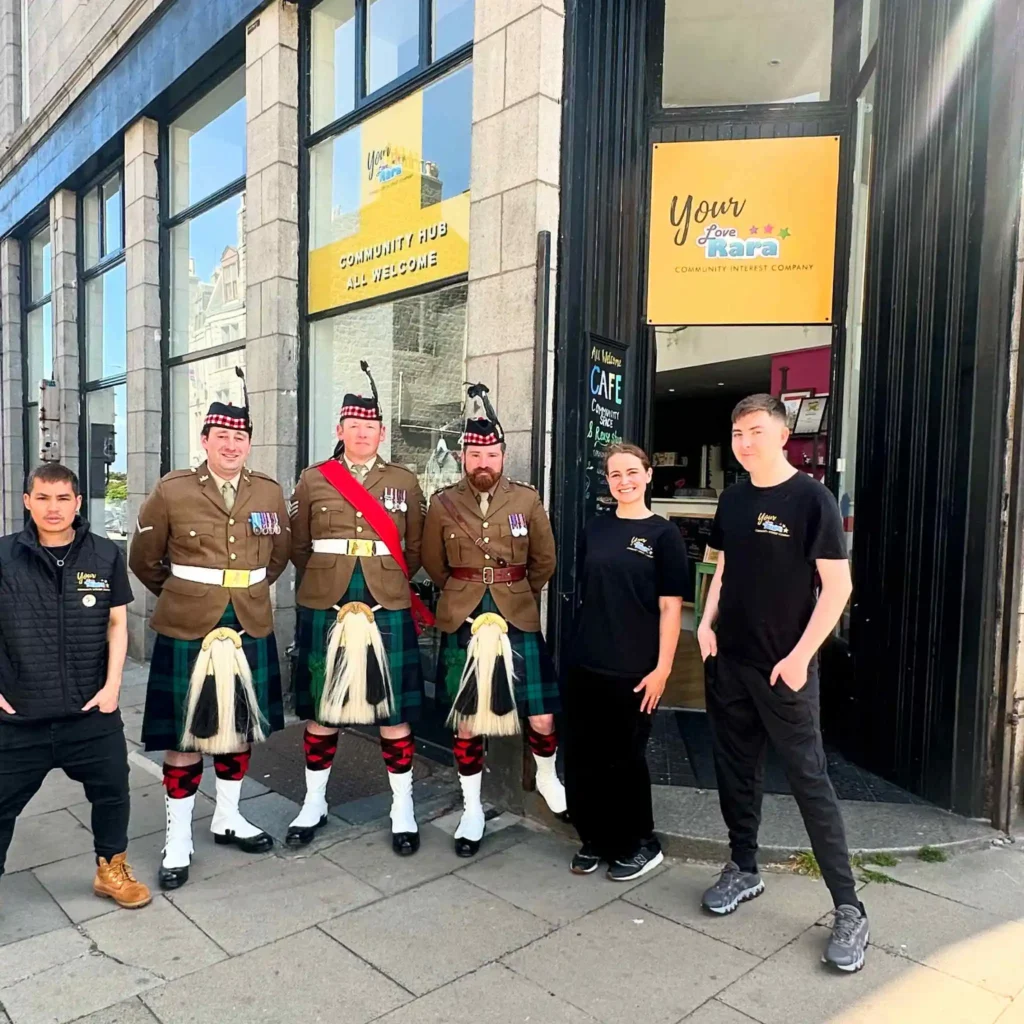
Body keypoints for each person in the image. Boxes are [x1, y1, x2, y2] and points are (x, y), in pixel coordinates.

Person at [697, 393, 867, 972]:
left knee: (809, 780)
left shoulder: (811, 499)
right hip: (731, 664)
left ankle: (849, 907)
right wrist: (705, 623)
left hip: (785, 669)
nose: (744, 442)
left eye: (755, 431)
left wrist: (800, 657)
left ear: (782, 433)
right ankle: (743, 867)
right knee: (734, 771)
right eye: (737, 433)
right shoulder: (734, 498)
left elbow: (838, 589)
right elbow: (722, 566)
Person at [130, 371, 290, 890]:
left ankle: (228, 816)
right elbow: (145, 560)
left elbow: (278, 556)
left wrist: (243, 589)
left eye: (240, 437)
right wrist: (189, 592)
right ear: (205, 441)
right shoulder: (173, 490)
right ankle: (178, 838)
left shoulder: (267, 491)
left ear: (249, 443)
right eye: (222, 437)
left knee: (239, 728)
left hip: (247, 619)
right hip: (190, 625)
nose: (231, 445)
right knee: (184, 736)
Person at [287, 361, 429, 855]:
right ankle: (314, 802)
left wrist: (389, 579)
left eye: (371, 427)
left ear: (381, 432)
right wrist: (328, 578)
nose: (363, 433)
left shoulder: (405, 481)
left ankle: (402, 807)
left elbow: (414, 548)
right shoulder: (313, 479)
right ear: (340, 430)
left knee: (393, 711)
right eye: (355, 426)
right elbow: (299, 546)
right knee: (322, 709)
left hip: (384, 597)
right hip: (325, 600)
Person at [421, 383, 566, 857]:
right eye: (475, 453)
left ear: (503, 455)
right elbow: (432, 563)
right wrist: (465, 590)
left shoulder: (526, 500)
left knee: (542, 717)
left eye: (491, 453)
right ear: (463, 455)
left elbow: (544, 562)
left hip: (516, 613)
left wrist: (514, 594)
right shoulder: (442, 504)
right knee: (467, 722)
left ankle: (546, 776)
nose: (483, 462)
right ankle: (472, 809)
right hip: (462, 614)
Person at [0, 464, 150, 910]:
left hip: (91, 714)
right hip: (19, 717)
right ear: (27, 501)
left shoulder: (104, 555)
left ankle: (110, 869)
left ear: (78, 503)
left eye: (62, 498)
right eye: (43, 498)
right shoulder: (4, 556)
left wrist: (112, 688)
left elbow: (118, 624)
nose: (53, 508)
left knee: (113, 792)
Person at [564, 443, 686, 881]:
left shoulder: (663, 536)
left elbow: (672, 608)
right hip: (586, 662)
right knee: (583, 756)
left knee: (624, 758)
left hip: (635, 668)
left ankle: (639, 842)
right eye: (615, 475)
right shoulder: (595, 530)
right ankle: (594, 836)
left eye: (632, 472)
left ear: (649, 475)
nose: (624, 481)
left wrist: (663, 669)